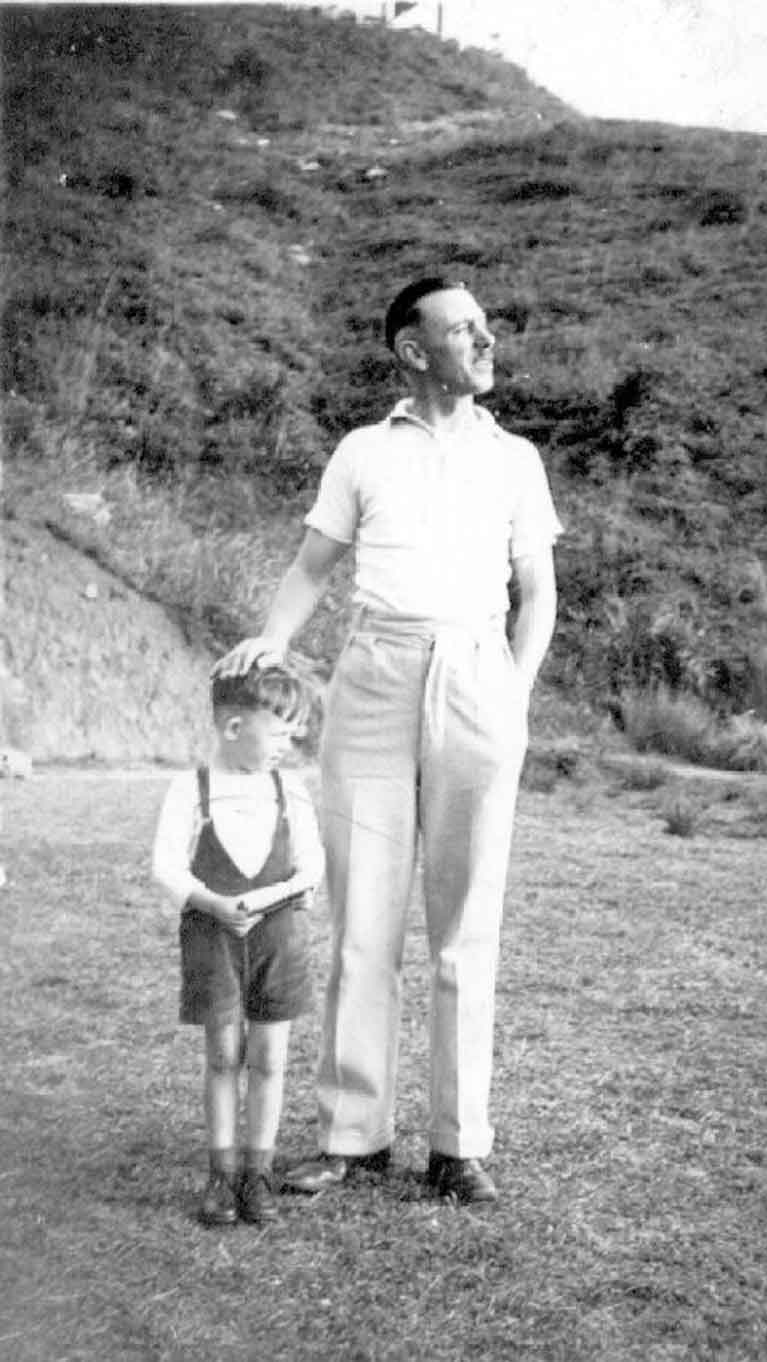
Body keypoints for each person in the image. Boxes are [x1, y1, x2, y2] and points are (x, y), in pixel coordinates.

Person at [215, 277, 562, 1204]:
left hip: (479, 679)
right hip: (374, 680)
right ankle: (353, 1137)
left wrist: (513, 694)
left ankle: (459, 1147)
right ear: (413, 351)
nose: (485, 339)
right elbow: (311, 566)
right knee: (365, 922)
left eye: (486, 324)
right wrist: (274, 639)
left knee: (465, 927)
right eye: (463, 329)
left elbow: (539, 592)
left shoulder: (516, 460)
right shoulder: (364, 451)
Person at [152, 663, 324, 1226]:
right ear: (232, 728)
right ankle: (221, 1177)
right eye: (277, 733)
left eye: (292, 733)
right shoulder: (192, 787)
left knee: (270, 1058)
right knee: (223, 1056)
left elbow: (311, 867)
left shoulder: (288, 788)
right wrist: (215, 904)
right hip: (212, 936)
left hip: (278, 936)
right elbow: (167, 868)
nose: (288, 744)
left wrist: (265, 899)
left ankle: (258, 1174)